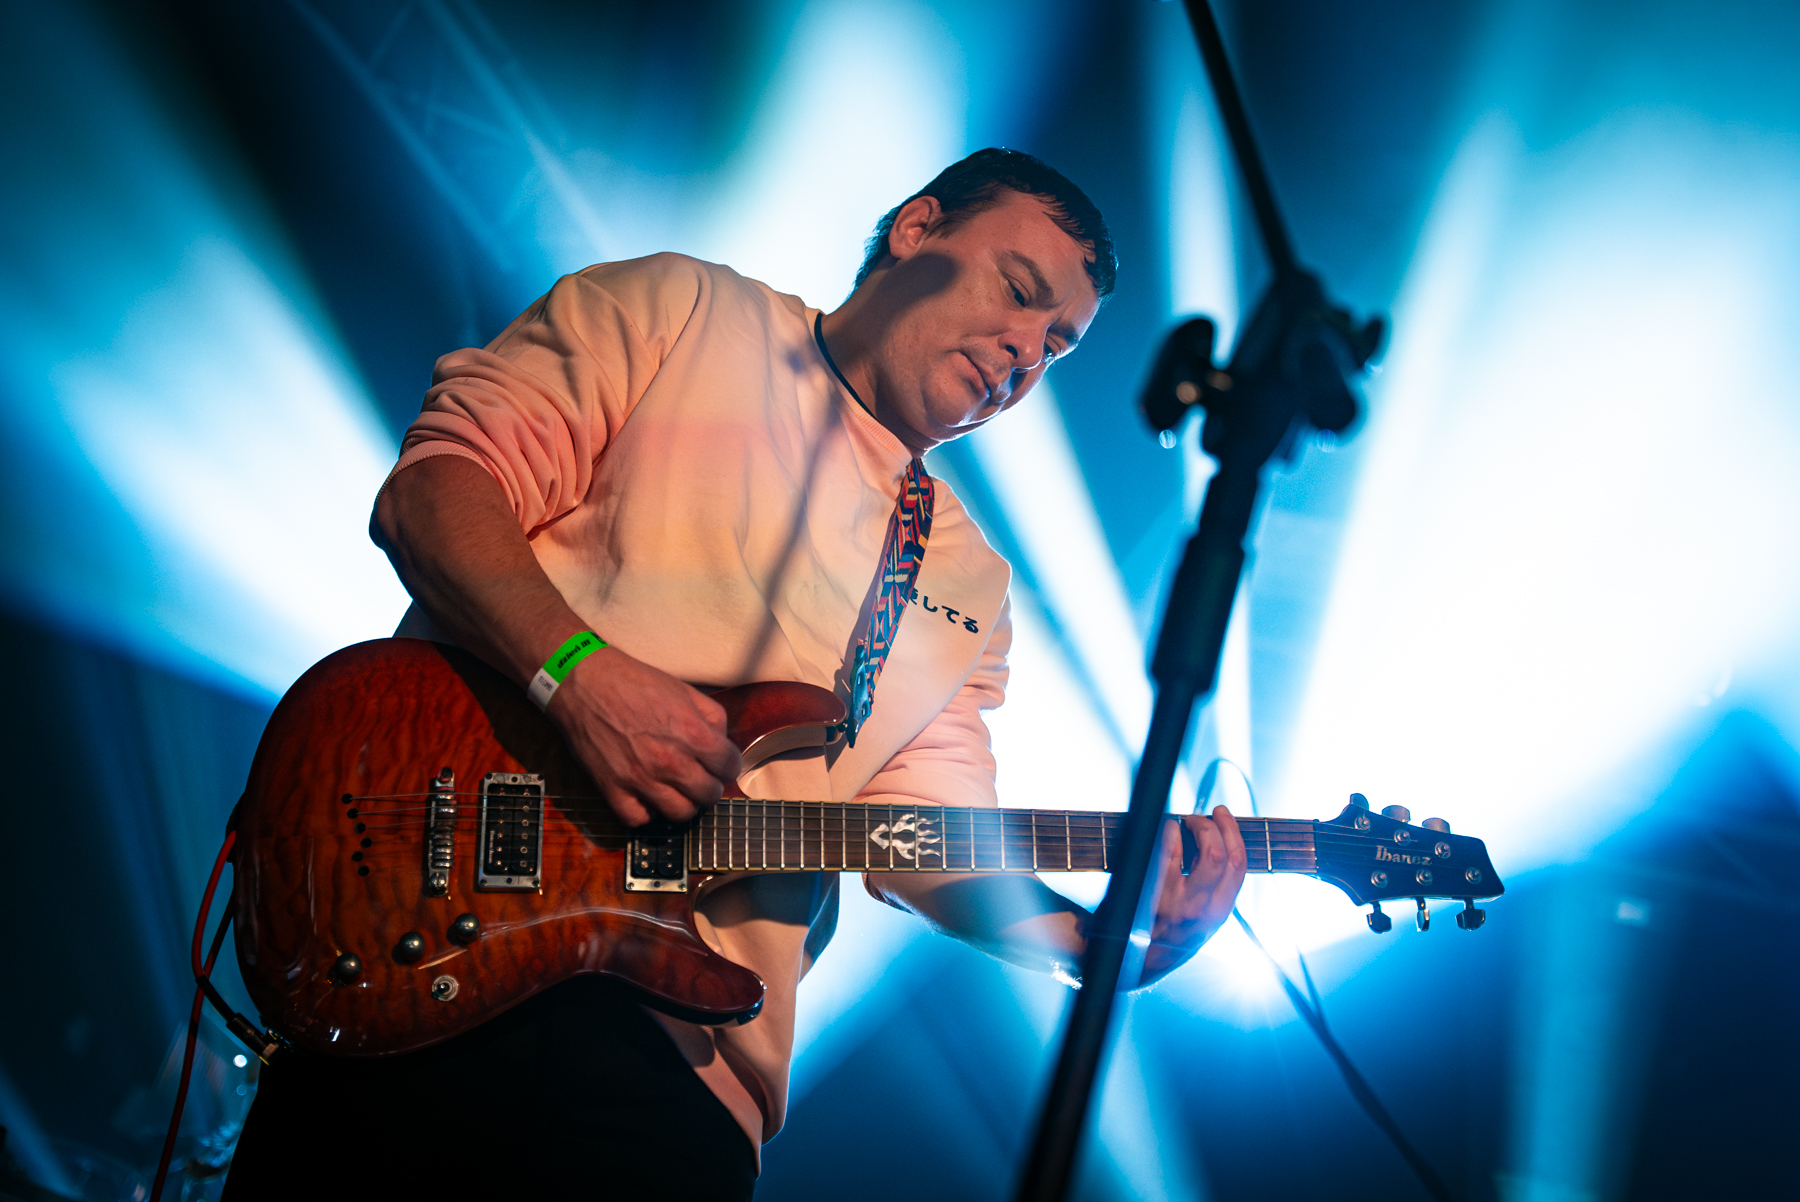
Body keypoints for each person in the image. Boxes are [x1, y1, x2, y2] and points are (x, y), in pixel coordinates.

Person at [223, 148, 1246, 1200]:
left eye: (1057, 345)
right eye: (1019, 292)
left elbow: (923, 836)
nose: (1025, 353)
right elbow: (439, 487)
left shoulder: (965, 577)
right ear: (917, 229)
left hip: (686, 1072)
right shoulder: (682, 308)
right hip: (432, 939)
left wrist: (1102, 943)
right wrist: (578, 674)